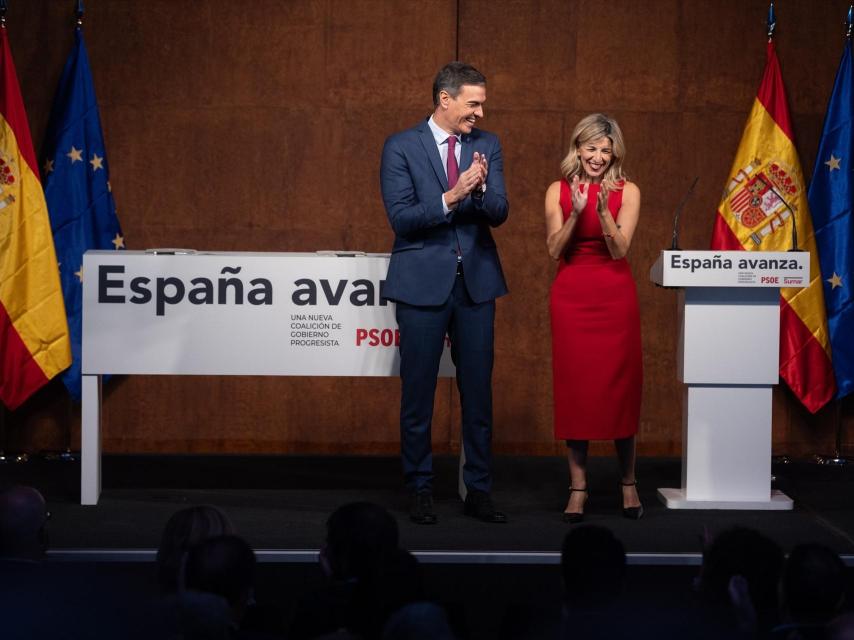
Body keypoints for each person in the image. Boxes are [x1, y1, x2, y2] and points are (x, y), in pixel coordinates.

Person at [380, 61, 509, 525]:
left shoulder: (487, 145)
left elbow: (500, 210)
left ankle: (478, 490)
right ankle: (419, 487)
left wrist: (478, 192)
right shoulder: (401, 147)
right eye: (473, 103)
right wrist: (452, 196)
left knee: (478, 394)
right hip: (421, 285)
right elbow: (402, 219)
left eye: (482, 104)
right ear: (445, 99)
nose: (479, 112)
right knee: (418, 394)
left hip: (476, 284)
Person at [544, 113, 643, 523]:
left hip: (614, 294)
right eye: (591, 148)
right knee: (577, 390)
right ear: (578, 149)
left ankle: (628, 484)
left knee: (620, 388)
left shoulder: (630, 191)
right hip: (572, 296)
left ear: (614, 153)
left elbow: (620, 250)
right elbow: (553, 249)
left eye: (606, 149)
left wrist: (602, 213)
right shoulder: (557, 190)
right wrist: (575, 212)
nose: (598, 157)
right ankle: (578, 488)